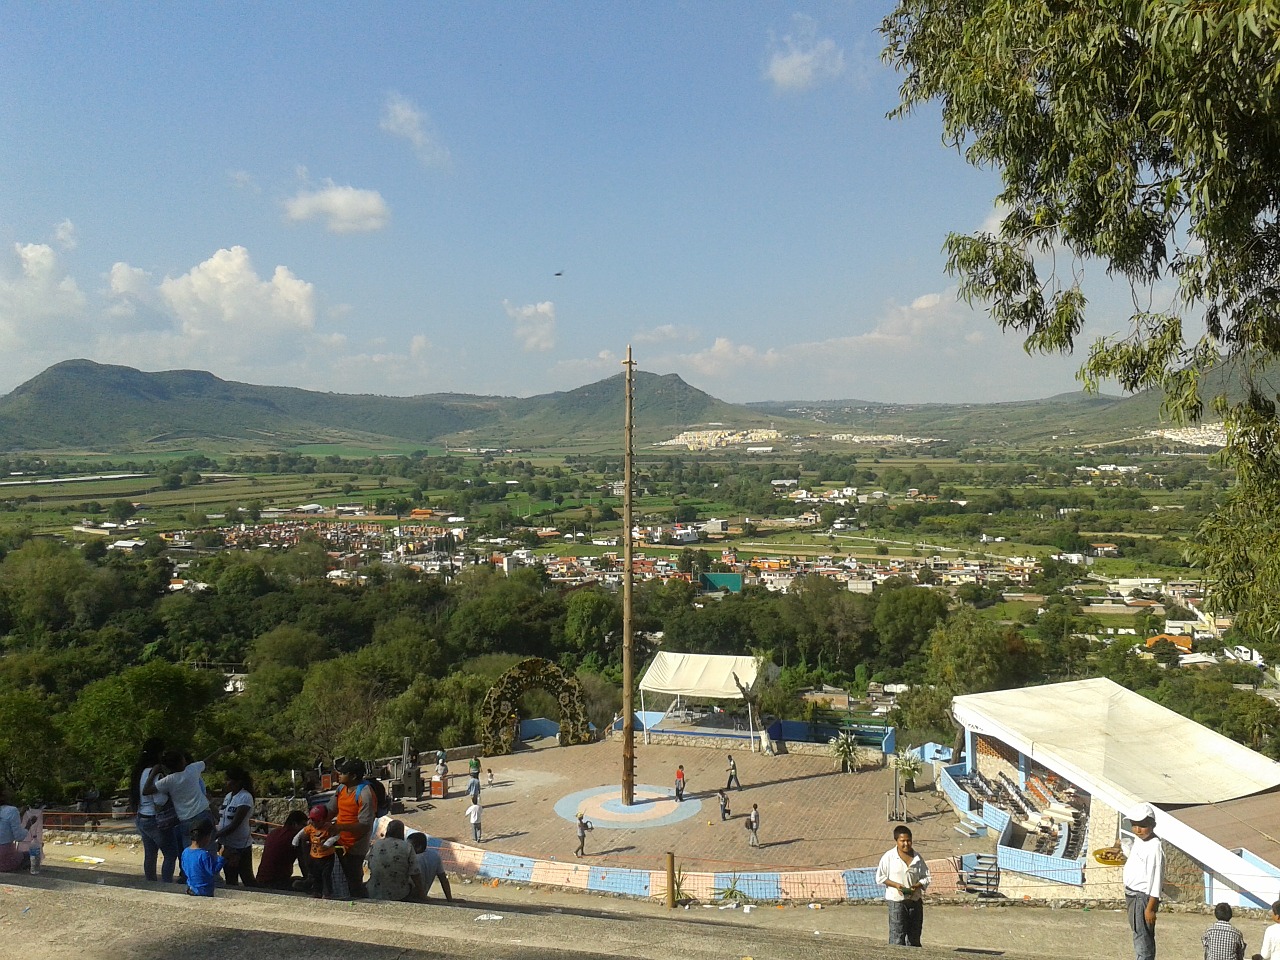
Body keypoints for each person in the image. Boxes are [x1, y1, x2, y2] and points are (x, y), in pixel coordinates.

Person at [149, 746, 222, 877]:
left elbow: (146, 790)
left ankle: (192, 880)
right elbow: (209, 760)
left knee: (191, 853)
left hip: (185, 820)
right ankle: (213, 880)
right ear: (182, 761)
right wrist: (221, 750)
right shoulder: (192, 769)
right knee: (209, 851)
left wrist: (155, 772)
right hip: (203, 814)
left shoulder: (169, 780)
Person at [1105, 802, 1165, 960]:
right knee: (1138, 933)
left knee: (1142, 938)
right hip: (1132, 895)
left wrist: (1150, 908)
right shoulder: (1141, 840)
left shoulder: (1154, 847)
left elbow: (1156, 879)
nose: (1138, 830)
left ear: (1152, 825)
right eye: (1135, 825)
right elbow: (1133, 853)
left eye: (1142, 825)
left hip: (1142, 897)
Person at [131, 736, 180, 883]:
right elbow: (159, 800)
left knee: (150, 854)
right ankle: (166, 883)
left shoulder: (139, 771)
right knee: (171, 853)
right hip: (154, 818)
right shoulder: (155, 773)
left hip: (142, 817)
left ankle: (150, 882)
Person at [325, 758, 376, 899]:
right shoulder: (341, 789)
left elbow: (365, 825)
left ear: (353, 776)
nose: (339, 775)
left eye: (342, 773)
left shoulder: (365, 794)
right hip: (339, 840)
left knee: (352, 880)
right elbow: (330, 809)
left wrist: (340, 827)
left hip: (355, 845)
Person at [875, 824, 931, 947]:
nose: (906, 844)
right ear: (896, 841)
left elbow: (926, 877)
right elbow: (880, 877)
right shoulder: (889, 857)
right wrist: (896, 886)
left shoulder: (917, 858)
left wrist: (916, 886)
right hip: (896, 901)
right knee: (897, 935)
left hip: (915, 900)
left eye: (908, 840)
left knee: (914, 936)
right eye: (903, 841)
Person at [213, 766, 256, 887]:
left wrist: (215, 836)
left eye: (228, 780)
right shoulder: (228, 796)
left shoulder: (245, 797)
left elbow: (234, 825)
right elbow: (221, 817)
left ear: (237, 782)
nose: (225, 782)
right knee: (230, 877)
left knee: (246, 878)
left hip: (240, 844)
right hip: (227, 843)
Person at [367, 819, 421, 902]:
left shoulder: (376, 844)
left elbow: (370, 865)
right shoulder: (407, 846)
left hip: (374, 891)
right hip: (398, 894)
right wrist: (422, 893)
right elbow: (415, 873)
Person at [294, 804, 342, 899]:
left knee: (326, 875)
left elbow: (336, 836)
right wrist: (295, 840)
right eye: (312, 820)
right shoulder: (311, 827)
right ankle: (317, 891)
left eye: (317, 820)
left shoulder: (329, 828)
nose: (314, 823)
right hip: (314, 856)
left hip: (327, 856)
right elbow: (302, 833)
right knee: (316, 874)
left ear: (324, 820)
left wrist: (328, 843)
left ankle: (327, 892)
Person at [256, 810, 307, 890]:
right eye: (303, 825)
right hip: (276, 882)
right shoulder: (295, 838)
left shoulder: (274, 832)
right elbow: (303, 863)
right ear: (294, 824)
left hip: (261, 880)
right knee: (303, 883)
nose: (305, 829)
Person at [181, 819, 225, 897]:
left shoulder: (185, 851)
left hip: (191, 888)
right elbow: (213, 871)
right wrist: (221, 857)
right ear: (206, 837)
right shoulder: (204, 854)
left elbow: (184, 868)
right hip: (204, 890)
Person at [407, 832, 455, 902]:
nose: (407, 848)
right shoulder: (435, 856)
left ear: (418, 847)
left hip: (409, 896)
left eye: (410, 846)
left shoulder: (413, 859)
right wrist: (450, 899)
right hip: (423, 895)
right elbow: (443, 879)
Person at [0, 786, 33, 873]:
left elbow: (5, 827)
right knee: (29, 855)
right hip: (4, 857)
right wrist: (28, 825)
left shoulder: (11, 812)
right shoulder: (12, 810)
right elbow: (19, 837)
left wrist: (20, 815)